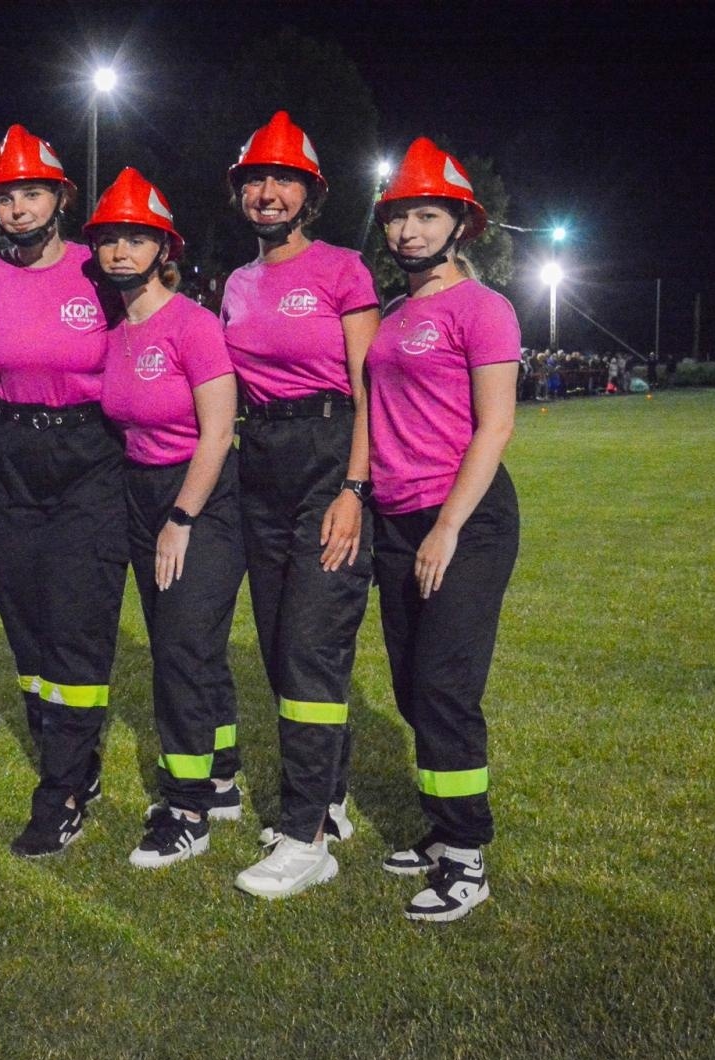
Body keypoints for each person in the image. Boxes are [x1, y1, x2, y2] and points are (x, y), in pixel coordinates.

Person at [218, 111, 382, 899]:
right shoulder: (238, 284)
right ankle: (333, 795)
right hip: (262, 467)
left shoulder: (344, 270)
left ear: (309, 193)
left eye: (284, 179)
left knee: (312, 647)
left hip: (328, 458)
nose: (268, 192)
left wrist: (355, 488)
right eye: (256, 179)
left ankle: (305, 834)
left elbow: (367, 388)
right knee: (287, 647)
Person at [368, 138, 521, 922]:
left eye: (426, 215)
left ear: (461, 222)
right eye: (398, 217)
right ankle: (439, 830)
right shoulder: (395, 313)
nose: (409, 231)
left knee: (445, 685)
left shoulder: (483, 309)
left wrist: (448, 527)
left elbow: (495, 429)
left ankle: (466, 856)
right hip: (395, 518)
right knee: (410, 686)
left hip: (464, 518)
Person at [0, 124, 127, 856]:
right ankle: (76, 755)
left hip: (88, 455)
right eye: (7, 197)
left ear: (60, 198)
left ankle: (59, 791)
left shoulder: (102, 272)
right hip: (7, 454)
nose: (19, 209)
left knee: (77, 622)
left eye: (32, 193)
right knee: (28, 625)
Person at [88, 168, 243, 870]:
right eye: (109, 239)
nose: (120, 251)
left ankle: (186, 809)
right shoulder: (116, 328)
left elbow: (218, 430)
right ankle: (223, 771)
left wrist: (181, 515)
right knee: (185, 642)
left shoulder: (194, 324)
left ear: (163, 247)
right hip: (139, 494)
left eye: (135, 238)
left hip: (199, 497)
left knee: (180, 647)